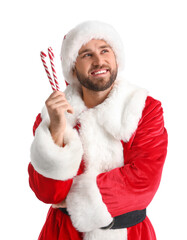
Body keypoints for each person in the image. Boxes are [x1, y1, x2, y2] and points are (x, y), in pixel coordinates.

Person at [28, 21, 168, 240]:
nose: (98, 60)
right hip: (63, 234)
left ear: (116, 58)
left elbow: (144, 182)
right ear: (73, 67)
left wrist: (72, 199)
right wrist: (56, 131)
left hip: (131, 233)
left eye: (105, 50)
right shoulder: (51, 116)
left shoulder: (144, 109)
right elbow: (48, 193)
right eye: (86, 54)